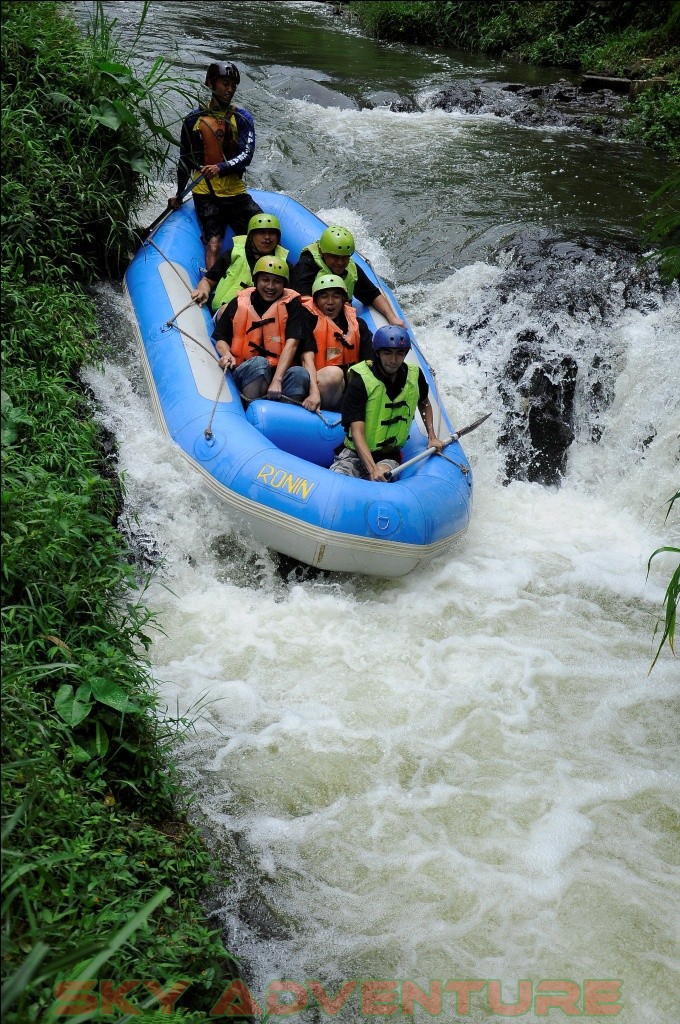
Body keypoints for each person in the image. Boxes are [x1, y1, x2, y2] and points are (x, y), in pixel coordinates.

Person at [168, 61, 262, 270]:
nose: (230, 90)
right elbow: (185, 158)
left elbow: (247, 155)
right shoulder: (194, 119)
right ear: (211, 84)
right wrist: (180, 194)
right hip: (205, 192)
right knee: (213, 243)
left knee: (264, 231)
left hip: (234, 191)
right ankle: (211, 290)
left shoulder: (242, 118)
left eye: (233, 85)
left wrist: (221, 167)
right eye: (225, 84)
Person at [330, 325, 446, 482]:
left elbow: (424, 402)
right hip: (354, 453)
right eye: (387, 353)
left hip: (388, 455)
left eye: (399, 353)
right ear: (377, 353)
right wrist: (372, 469)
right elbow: (357, 432)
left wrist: (432, 436)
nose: (393, 360)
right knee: (336, 481)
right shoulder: (360, 382)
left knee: (383, 476)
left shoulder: (414, 375)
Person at [212, 255, 313, 403]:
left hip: (279, 375)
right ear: (256, 280)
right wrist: (226, 354)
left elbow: (292, 344)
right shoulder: (240, 302)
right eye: (265, 280)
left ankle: (286, 417)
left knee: (299, 373)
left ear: (284, 285)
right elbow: (221, 338)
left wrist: (277, 380)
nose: (270, 287)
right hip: (247, 372)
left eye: (277, 282)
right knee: (259, 363)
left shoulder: (293, 305)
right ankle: (250, 407)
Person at [290, 225, 405, 328]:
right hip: (312, 321)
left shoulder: (351, 268)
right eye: (335, 257)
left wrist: (392, 317)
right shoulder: (306, 266)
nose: (340, 262)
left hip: (339, 318)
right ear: (323, 252)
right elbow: (302, 304)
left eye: (344, 257)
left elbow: (372, 294)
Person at [299, 273, 373, 411]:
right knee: (334, 374)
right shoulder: (307, 320)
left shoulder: (358, 324)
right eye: (324, 296)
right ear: (315, 300)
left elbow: (368, 363)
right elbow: (306, 359)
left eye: (336, 296)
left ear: (344, 299)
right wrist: (314, 392)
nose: (330, 302)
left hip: (346, 388)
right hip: (315, 384)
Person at [191, 213, 290, 314]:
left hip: (263, 317)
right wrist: (202, 291)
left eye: (272, 233)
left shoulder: (284, 264)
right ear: (251, 236)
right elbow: (207, 280)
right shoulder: (234, 253)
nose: (267, 237)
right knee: (228, 310)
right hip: (226, 311)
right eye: (261, 232)